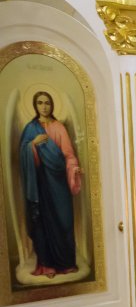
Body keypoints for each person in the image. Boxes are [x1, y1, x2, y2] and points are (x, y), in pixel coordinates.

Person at [18, 91, 82, 278]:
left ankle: (66, 264)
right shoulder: (30, 128)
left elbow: (68, 154)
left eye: (47, 103)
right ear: (35, 105)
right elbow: (22, 154)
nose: (44, 106)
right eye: (40, 103)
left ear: (52, 105)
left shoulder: (58, 127)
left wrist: (74, 169)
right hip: (39, 183)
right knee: (43, 222)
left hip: (59, 182)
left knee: (64, 220)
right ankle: (47, 266)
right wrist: (32, 145)